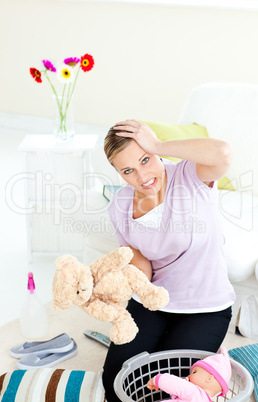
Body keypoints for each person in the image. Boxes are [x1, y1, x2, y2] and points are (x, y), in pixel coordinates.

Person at [102, 119, 235, 401]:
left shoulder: (190, 177)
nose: (142, 176)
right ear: (118, 173)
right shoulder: (121, 205)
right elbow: (141, 267)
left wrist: (158, 144)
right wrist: (116, 283)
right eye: (128, 170)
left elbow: (223, 153)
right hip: (154, 302)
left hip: (206, 307)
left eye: (146, 159)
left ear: (155, 152)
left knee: (166, 386)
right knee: (116, 379)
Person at [146, 347, 232, 401]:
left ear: (209, 378)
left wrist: (157, 379)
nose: (189, 376)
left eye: (194, 372)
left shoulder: (194, 391)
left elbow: (174, 384)